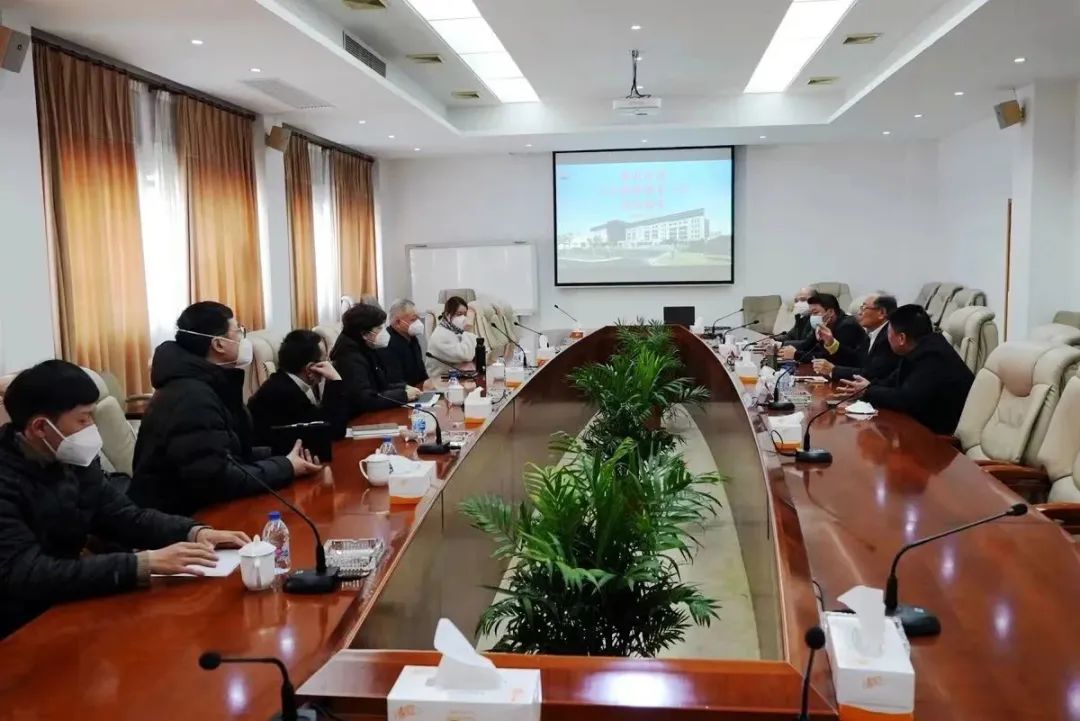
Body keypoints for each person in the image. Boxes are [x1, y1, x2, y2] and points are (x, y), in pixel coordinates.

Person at [0, 360, 250, 639]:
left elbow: (124, 516)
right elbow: (27, 574)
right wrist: (143, 563)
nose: (91, 428)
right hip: (20, 624)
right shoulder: (7, 478)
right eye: (83, 419)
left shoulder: (72, 459)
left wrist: (194, 532)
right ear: (39, 427)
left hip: (68, 602)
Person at [129, 302, 321, 515]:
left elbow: (230, 454)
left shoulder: (210, 383)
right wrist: (286, 466)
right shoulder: (191, 398)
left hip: (199, 507)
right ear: (219, 344)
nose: (243, 339)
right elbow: (217, 479)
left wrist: (283, 454)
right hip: (180, 518)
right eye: (239, 331)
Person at [838, 304, 975, 435]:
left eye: (888, 333)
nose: (887, 338)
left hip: (936, 437)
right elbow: (892, 381)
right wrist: (866, 388)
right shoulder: (919, 349)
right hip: (918, 426)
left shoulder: (933, 357)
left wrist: (868, 391)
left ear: (901, 338)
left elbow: (906, 399)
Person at [247, 330, 349, 451]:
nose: (329, 365)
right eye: (325, 360)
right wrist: (335, 381)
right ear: (310, 369)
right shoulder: (285, 393)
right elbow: (333, 430)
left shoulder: (284, 381)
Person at [331, 303, 421, 415]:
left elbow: (381, 384)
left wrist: (404, 387)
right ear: (364, 334)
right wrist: (404, 395)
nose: (384, 332)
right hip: (355, 418)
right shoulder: (349, 357)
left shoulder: (366, 347)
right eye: (379, 328)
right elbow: (365, 399)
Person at [814, 293, 900, 382]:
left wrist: (833, 370)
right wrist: (831, 343)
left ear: (881, 313)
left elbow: (871, 374)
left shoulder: (889, 337)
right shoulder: (872, 334)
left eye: (864, 308)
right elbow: (855, 359)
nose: (859, 313)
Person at [779, 293, 865, 366]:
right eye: (811, 313)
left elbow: (830, 358)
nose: (812, 317)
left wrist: (796, 355)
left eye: (815, 312)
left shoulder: (847, 326)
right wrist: (780, 347)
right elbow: (806, 345)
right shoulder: (823, 324)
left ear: (830, 312)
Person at [379, 299, 429, 388]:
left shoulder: (413, 339)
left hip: (418, 390)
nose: (418, 322)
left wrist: (429, 383)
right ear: (398, 322)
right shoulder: (387, 342)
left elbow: (421, 372)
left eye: (418, 318)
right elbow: (394, 380)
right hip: (403, 393)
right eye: (413, 319)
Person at [425, 296, 478, 378]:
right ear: (447, 315)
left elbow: (474, 350)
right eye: (459, 314)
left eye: (465, 314)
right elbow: (466, 356)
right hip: (439, 379)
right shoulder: (440, 336)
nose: (463, 318)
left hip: (457, 377)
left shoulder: (455, 330)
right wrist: (468, 331)